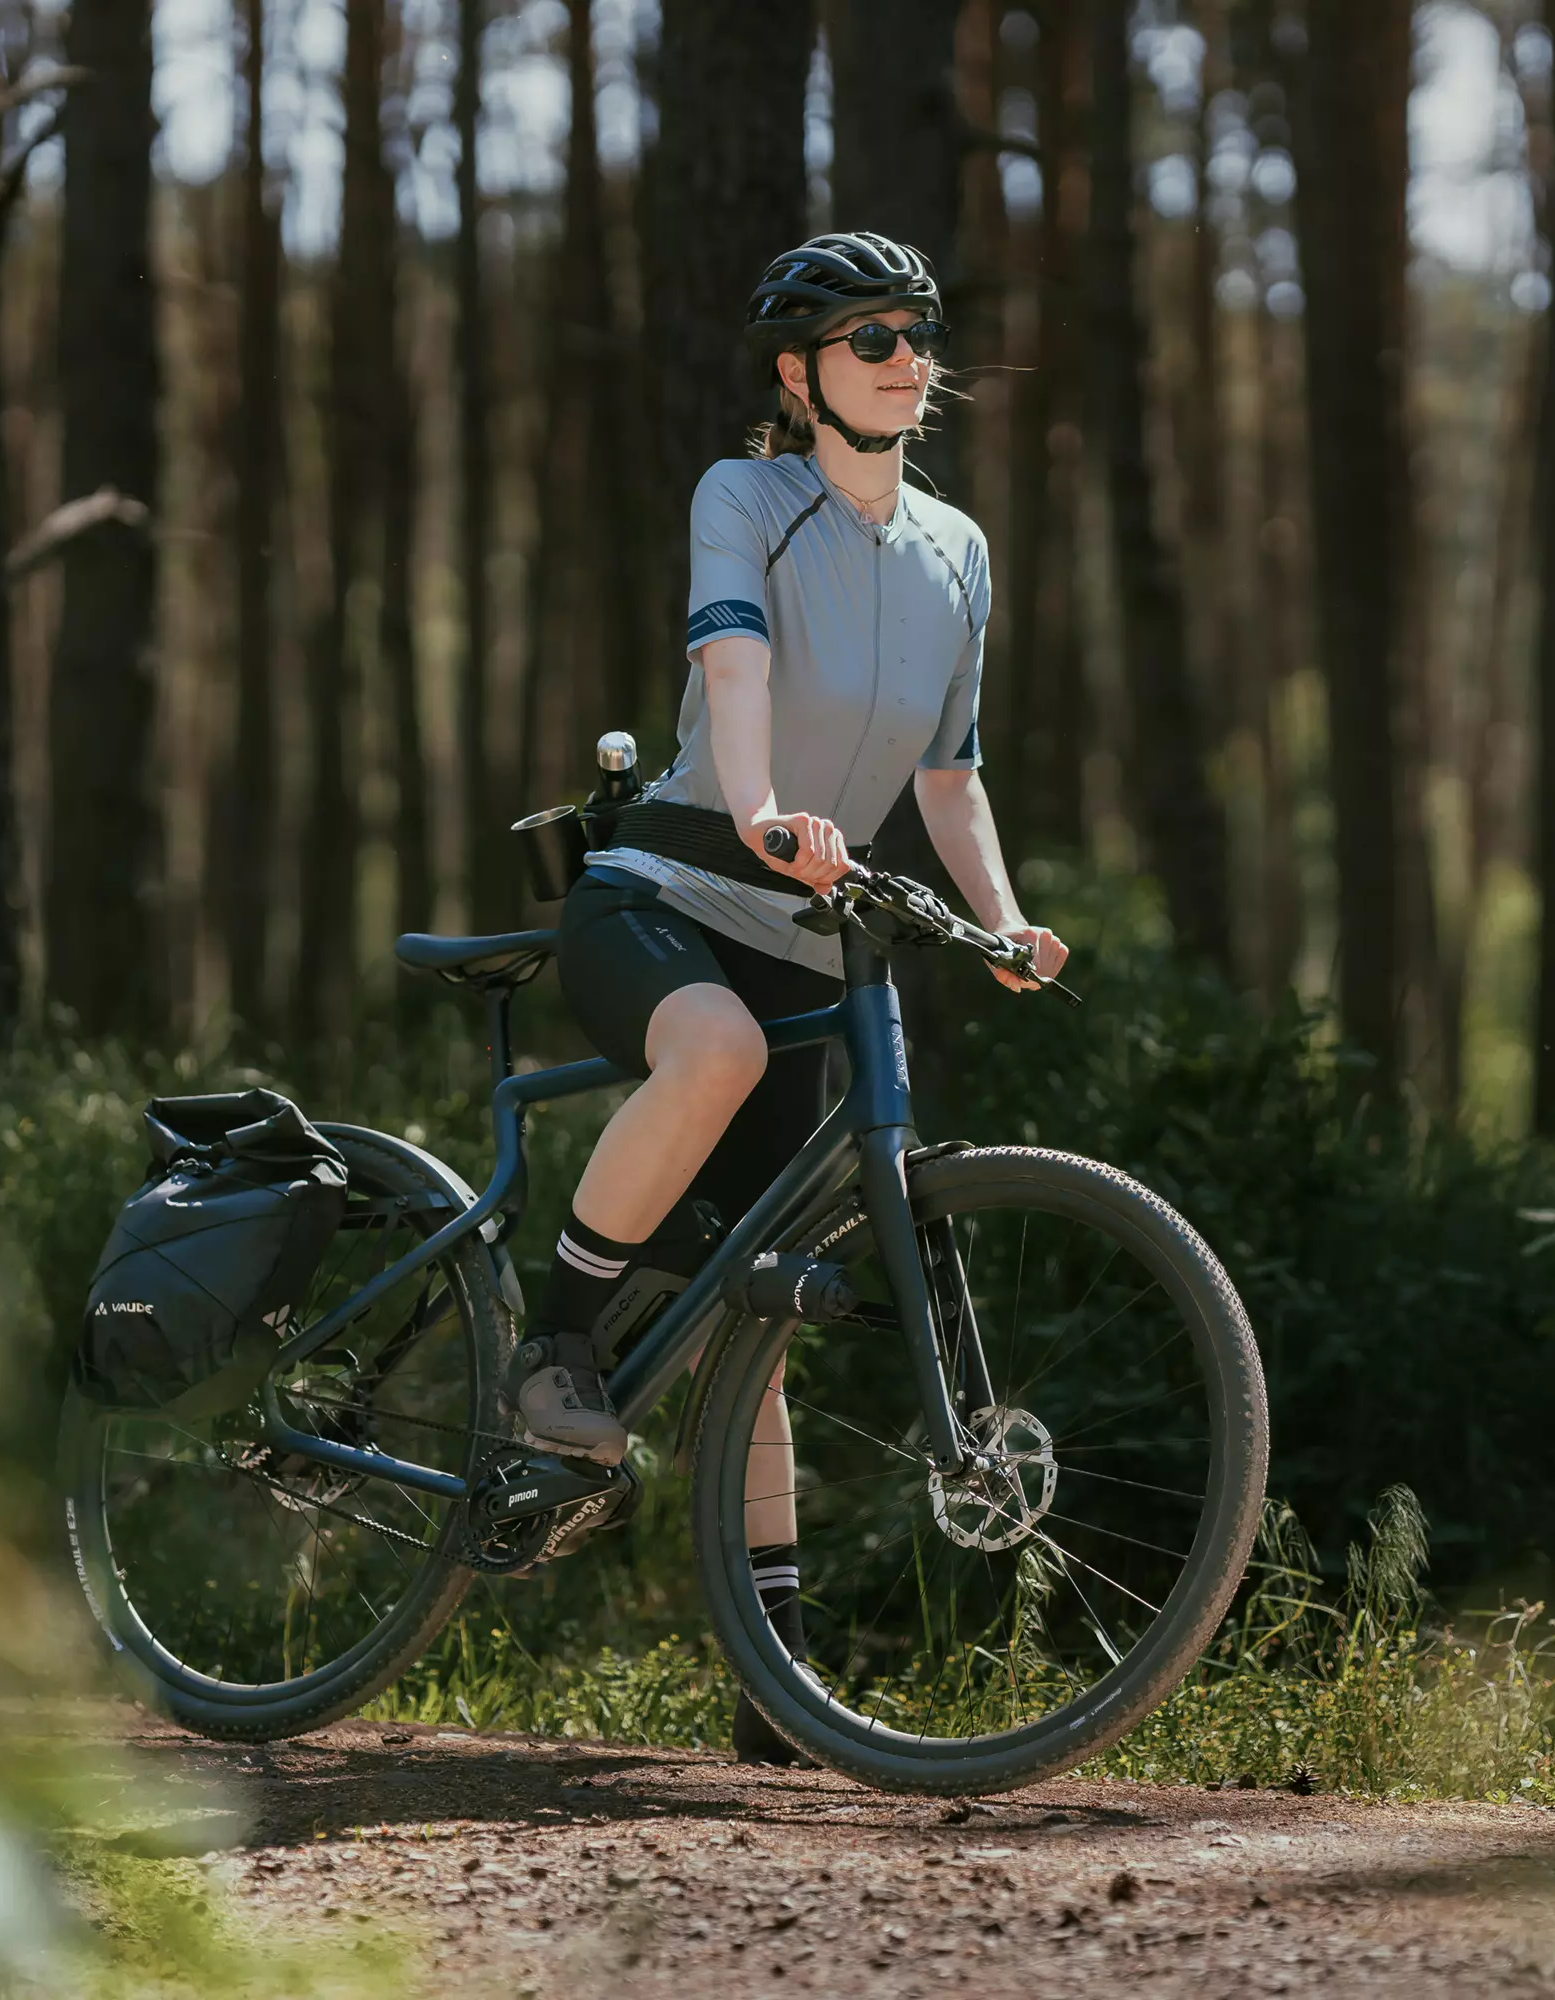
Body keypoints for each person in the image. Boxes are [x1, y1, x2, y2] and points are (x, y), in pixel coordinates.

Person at [510, 231, 1068, 1761]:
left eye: (917, 332)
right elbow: (733, 667)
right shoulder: (745, 497)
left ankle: (777, 1675)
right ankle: (556, 1343)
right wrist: (760, 814)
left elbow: (952, 778)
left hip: (812, 929)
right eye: (866, 334)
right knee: (714, 1048)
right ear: (797, 372)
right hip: (668, 897)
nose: (902, 355)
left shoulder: (958, 552)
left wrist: (1006, 926)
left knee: (758, 1296)